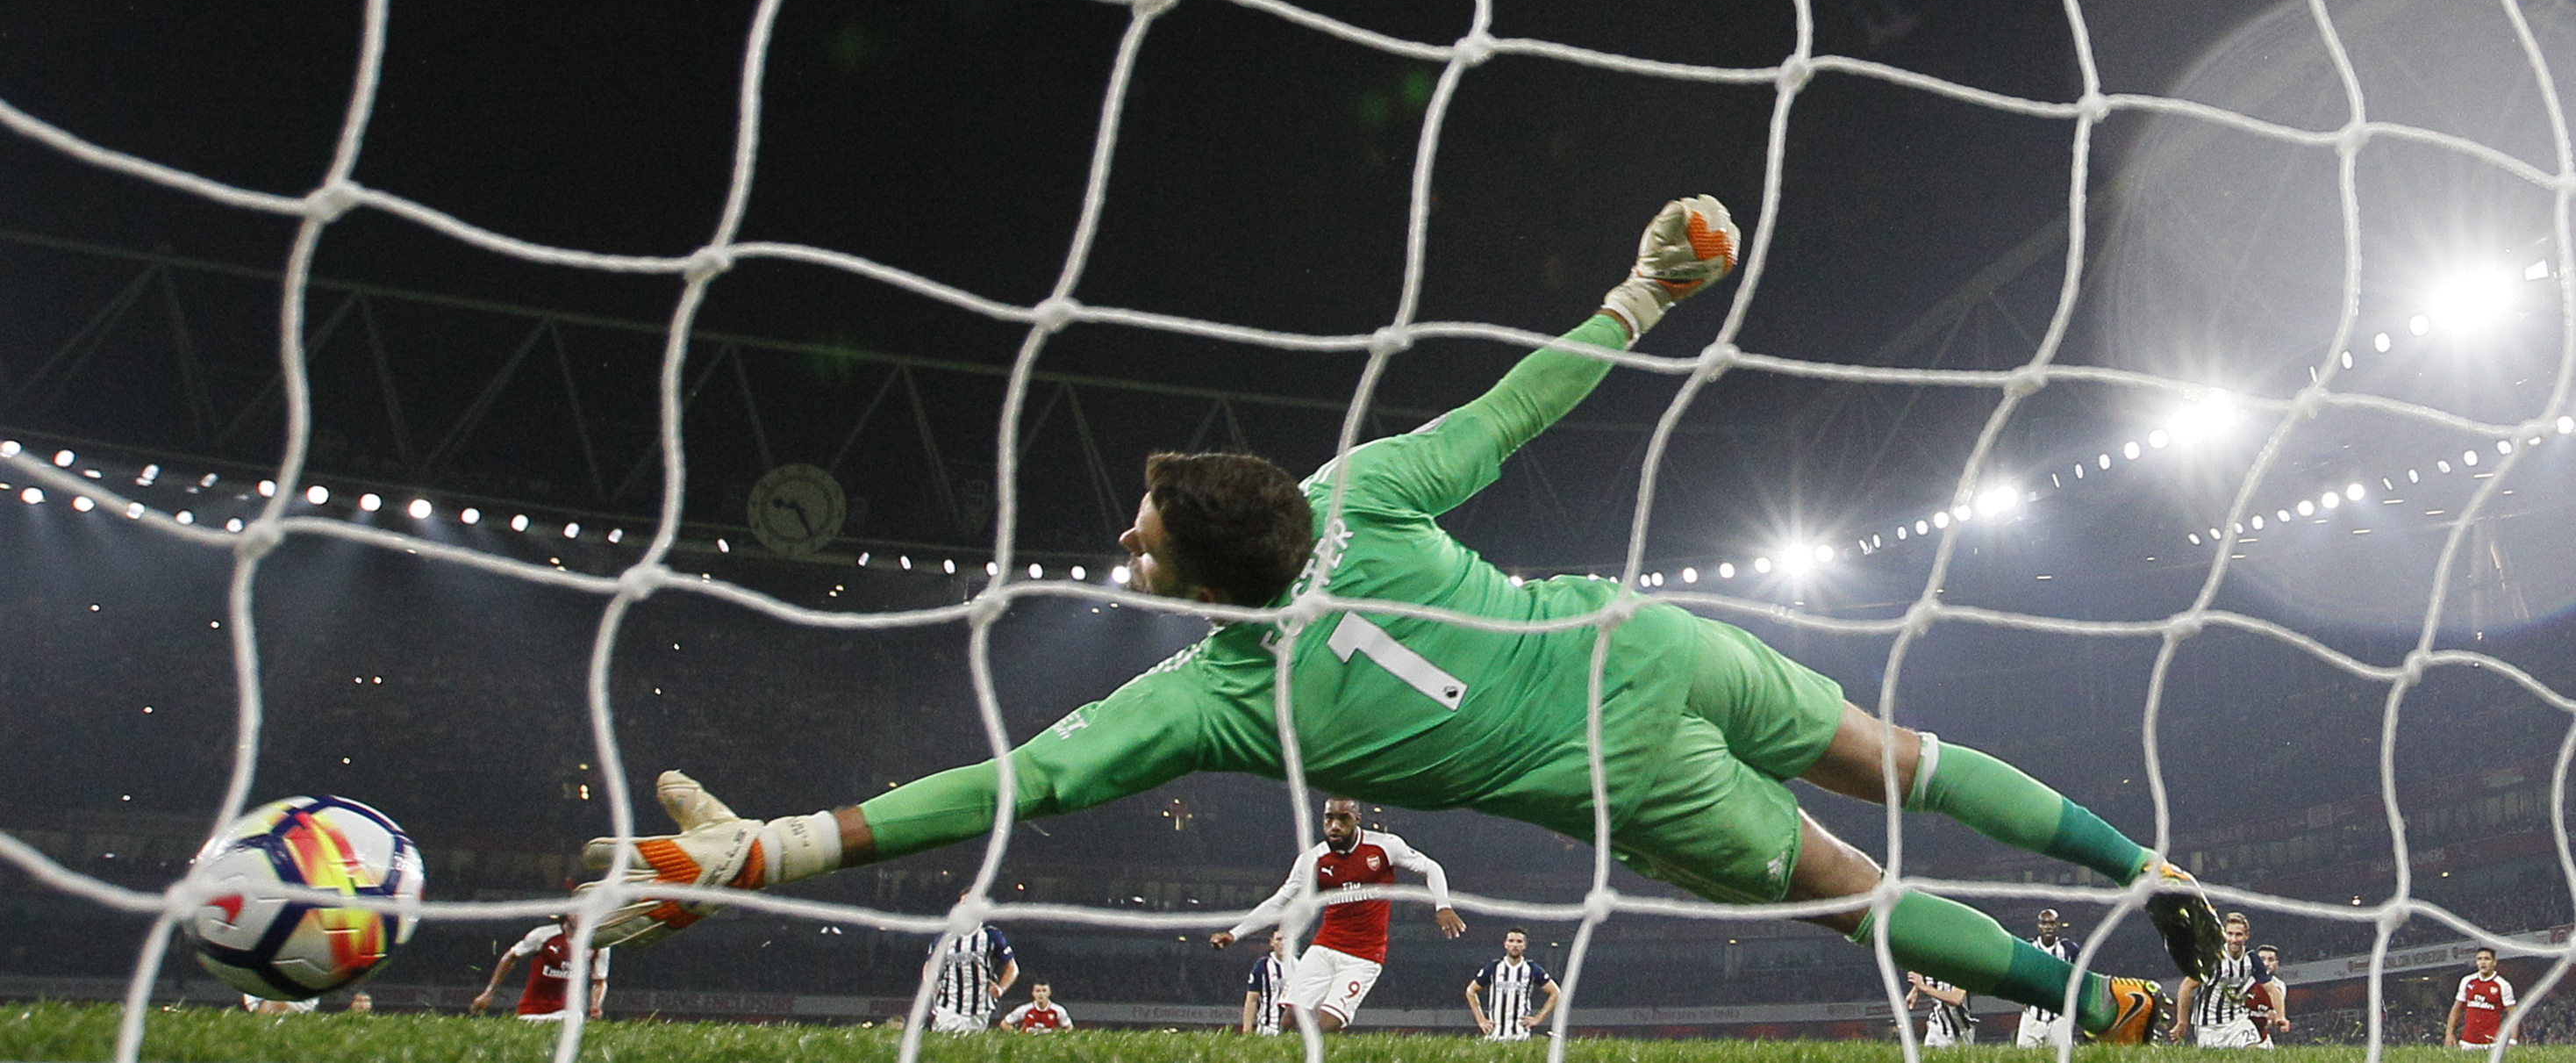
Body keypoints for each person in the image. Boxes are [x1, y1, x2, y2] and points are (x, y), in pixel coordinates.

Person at [577, 196, 2218, 1045]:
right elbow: (1518, 405)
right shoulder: (1356, 488)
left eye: (1140, 528)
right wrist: (1647, 289)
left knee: (1860, 897)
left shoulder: (1218, 694)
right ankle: (2147, 866)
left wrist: (778, 845)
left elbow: (996, 788)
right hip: (1637, 634)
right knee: (1903, 756)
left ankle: (2094, 1005)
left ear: (1205, 576)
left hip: (1621, 762)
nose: (1123, 536)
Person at [1207, 796, 1462, 1031]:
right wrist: (1234, 933)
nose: (1335, 826)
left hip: (1364, 955)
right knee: (1290, 1019)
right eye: (1329, 818)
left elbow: (1431, 867)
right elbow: (1279, 901)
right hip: (1325, 946)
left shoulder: (1385, 846)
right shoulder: (1313, 859)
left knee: (1324, 1025)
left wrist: (1443, 906)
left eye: (1343, 819)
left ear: (1357, 820)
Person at [469, 915, 610, 1021]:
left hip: (569, 1014)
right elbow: (510, 957)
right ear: (567, 912)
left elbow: (600, 980)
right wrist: (489, 992)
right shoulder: (543, 935)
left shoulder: (599, 943)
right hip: (532, 1011)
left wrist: (596, 1005)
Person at [2172, 910, 2267, 1047]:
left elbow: (2272, 989)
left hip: (2237, 1021)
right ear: (2224, 935)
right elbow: (2186, 987)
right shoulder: (2213, 958)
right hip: (2209, 1026)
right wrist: (2182, 1022)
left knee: (2254, 1054)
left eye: (2238, 934)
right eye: (2230, 934)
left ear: (2246, 936)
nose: (2234, 939)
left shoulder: (2251, 958)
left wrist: (2281, 1016)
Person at [926, 902, 1017, 1035]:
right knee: (945, 1049)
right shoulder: (945, 937)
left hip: (980, 1008)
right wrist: (931, 984)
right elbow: (929, 967)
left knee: (972, 1051)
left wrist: (1001, 989)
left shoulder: (991, 935)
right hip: (948, 1006)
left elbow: (1012, 967)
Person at [1466, 926, 1559, 1042]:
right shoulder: (1494, 968)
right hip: (1495, 1035)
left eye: (1519, 941)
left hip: (1521, 1036)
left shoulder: (1532, 969)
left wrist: (1538, 1019)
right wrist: (1481, 1020)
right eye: (1511, 941)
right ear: (1505, 944)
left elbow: (1555, 992)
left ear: (1525, 945)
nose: (1515, 945)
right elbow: (1471, 991)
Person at [2013, 908, 2079, 1047]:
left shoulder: (2069, 949)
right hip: (2032, 1014)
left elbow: (2079, 977)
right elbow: (2017, 975)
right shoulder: (2027, 948)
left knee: (2064, 1056)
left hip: (2059, 1015)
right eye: (2044, 923)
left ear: (2058, 925)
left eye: (2052, 923)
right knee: (2023, 1056)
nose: (2048, 927)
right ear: (2039, 926)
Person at [2448, 947, 2518, 1049]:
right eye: (2479, 959)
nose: (2483, 962)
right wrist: (2449, 1033)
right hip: (2467, 1042)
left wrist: (2513, 1040)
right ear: (2476, 962)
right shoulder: (2467, 981)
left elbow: (2513, 1014)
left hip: (2492, 1044)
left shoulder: (2503, 985)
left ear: (2494, 962)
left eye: (2487, 959)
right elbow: (2456, 1009)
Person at [1240, 928, 1289, 1035]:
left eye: (1286, 939)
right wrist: (1247, 1030)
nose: (1283, 943)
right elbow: (1252, 998)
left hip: (1293, 1032)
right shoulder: (1262, 966)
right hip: (1267, 1030)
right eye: (1279, 939)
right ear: (1272, 943)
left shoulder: (1299, 965)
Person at [1909, 971, 1975, 1046]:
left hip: (1959, 1028)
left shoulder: (1960, 969)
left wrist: (1923, 987)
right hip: (1937, 1024)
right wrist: (1915, 990)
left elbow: (1956, 998)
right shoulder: (1932, 966)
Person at [2250, 944, 2288, 1045]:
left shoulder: (2279, 986)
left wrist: (2273, 1020)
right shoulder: (2244, 981)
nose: (2266, 963)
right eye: (2261, 959)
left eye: (2271, 960)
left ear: (2277, 964)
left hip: (2261, 1032)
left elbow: (2274, 1016)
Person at [1000, 980, 1073, 1032]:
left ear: (1049, 993)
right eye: (1038, 991)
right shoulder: (1024, 1009)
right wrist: (1017, 1036)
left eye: (1044, 991)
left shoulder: (1058, 1010)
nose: (1041, 994)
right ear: (1033, 993)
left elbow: (1069, 1028)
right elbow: (1004, 1024)